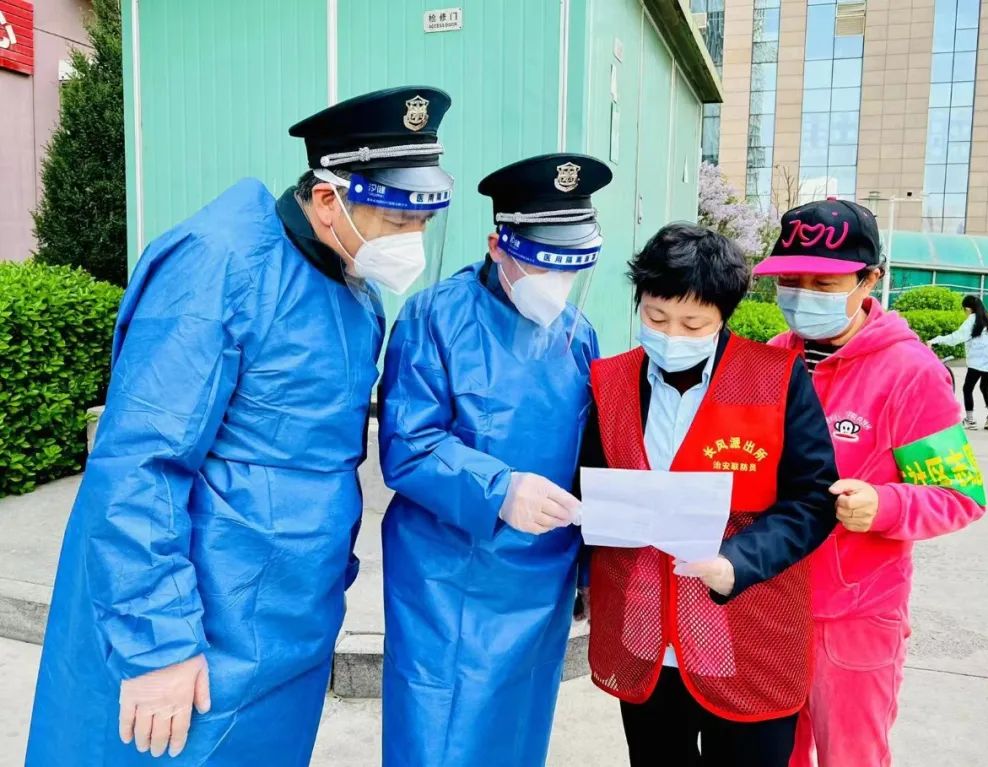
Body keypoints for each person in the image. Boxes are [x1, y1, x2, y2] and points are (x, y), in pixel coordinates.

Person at [26, 86, 454, 766]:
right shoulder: (217, 264)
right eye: (398, 221)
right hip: (195, 634)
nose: (412, 244)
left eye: (423, 224)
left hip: (290, 627)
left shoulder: (353, 293)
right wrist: (158, 644)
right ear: (328, 200)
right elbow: (141, 462)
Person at [377, 154, 613, 766]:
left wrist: (590, 570)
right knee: (438, 732)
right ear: (497, 245)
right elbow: (408, 445)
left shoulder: (578, 334)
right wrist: (500, 488)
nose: (555, 283)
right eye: (542, 263)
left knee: (518, 730)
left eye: (570, 267)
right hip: (447, 575)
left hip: (542, 574)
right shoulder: (434, 318)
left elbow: (590, 455)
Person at [579, 223, 839, 767]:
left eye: (693, 323)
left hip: (746, 631)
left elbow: (813, 499)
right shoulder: (610, 382)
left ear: (724, 316)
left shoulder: (776, 379)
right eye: (655, 317)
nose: (671, 335)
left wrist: (737, 562)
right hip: (646, 637)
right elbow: (592, 486)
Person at [753, 198, 988, 767]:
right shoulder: (771, 360)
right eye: (791, 281)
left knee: (852, 756)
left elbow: (961, 496)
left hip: (854, 616)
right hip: (769, 604)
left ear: (870, 280)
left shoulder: (911, 373)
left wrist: (884, 504)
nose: (803, 295)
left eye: (824, 283)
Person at [929, 294, 988, 431]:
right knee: (985, 386)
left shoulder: (971, 321)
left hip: (977, 361)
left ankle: (970, 420)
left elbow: (955, 338)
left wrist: (935, 340)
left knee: (968, 388)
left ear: (967, 308)